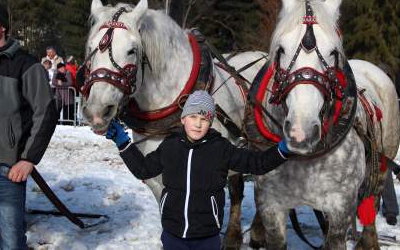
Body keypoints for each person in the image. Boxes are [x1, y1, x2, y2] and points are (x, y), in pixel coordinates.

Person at [105, 90, 291, 250]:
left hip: (207, 236)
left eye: (204, 119)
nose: (198, 123)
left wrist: (283, 149)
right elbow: (143, 169)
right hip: (172, 233)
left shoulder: (221, 148)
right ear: (183, 118)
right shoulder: (170, 146)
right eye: (193, 117)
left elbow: (257, 164)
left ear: (210, 122)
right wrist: (123, 143)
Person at [0, 1, 58, 249]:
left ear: (2, 26)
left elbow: (46, 112)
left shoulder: (27, 65)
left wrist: (28, 158)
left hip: (7, 170)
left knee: (11, 242)